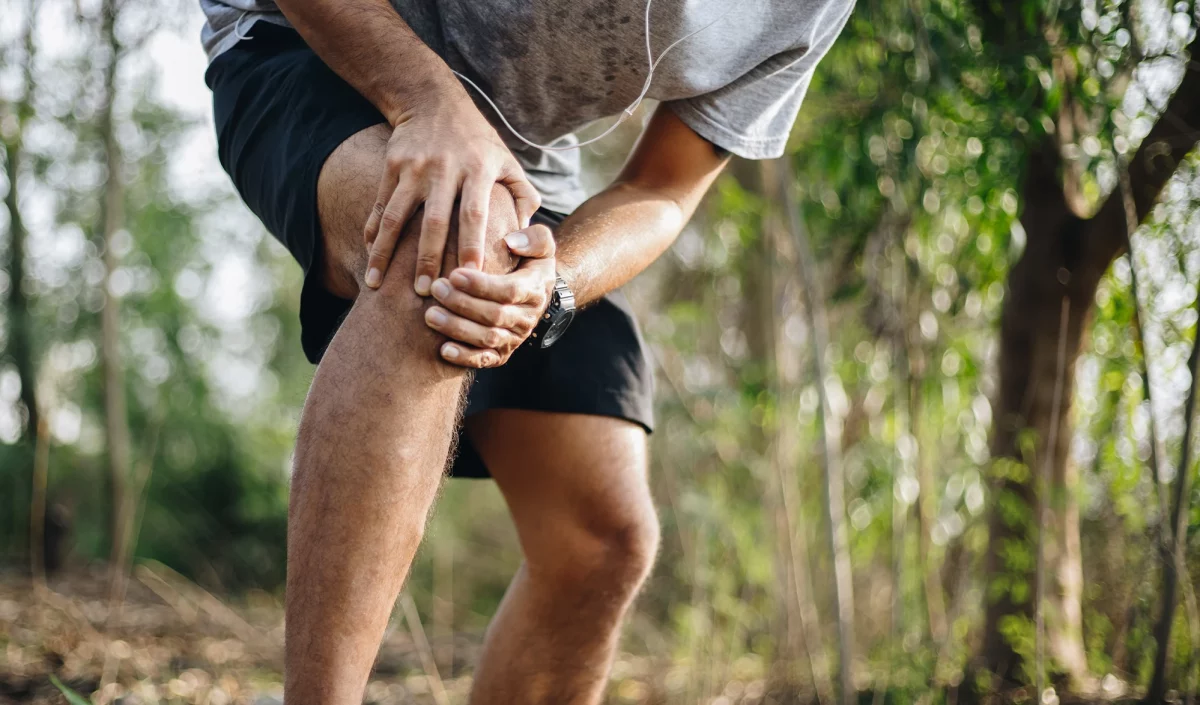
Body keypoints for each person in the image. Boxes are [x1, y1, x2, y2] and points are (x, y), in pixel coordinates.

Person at [200, 0, 853, 702]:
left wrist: (557, 284)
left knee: (601, 536)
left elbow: (662, 185)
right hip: (307, 48)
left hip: (525, 167)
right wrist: (424, 99)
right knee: (449, 243)